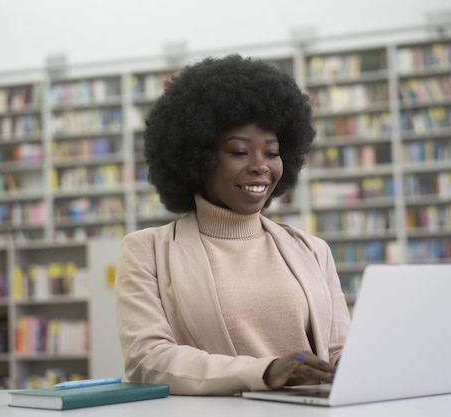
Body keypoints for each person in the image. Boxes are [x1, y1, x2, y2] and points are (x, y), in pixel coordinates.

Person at [115, 54, 351, 396]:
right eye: (239, 152)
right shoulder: (147, 251)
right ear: (200, 158)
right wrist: (265, 371)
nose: (260, 166)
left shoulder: (312, 250)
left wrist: (356, 363)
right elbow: (147, 360)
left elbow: (337, 350)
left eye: (271, 153)